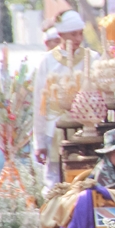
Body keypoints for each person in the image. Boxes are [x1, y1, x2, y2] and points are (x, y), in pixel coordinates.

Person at [32, 10, 99, 190]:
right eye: (73, 34)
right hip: (56, 130)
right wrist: (39, 143)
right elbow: (40, 104)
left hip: (88, 129)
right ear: (60, 35)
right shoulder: (47, 61)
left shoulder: (92, 58)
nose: (78, 38)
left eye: (80, 33)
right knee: (55, 183)